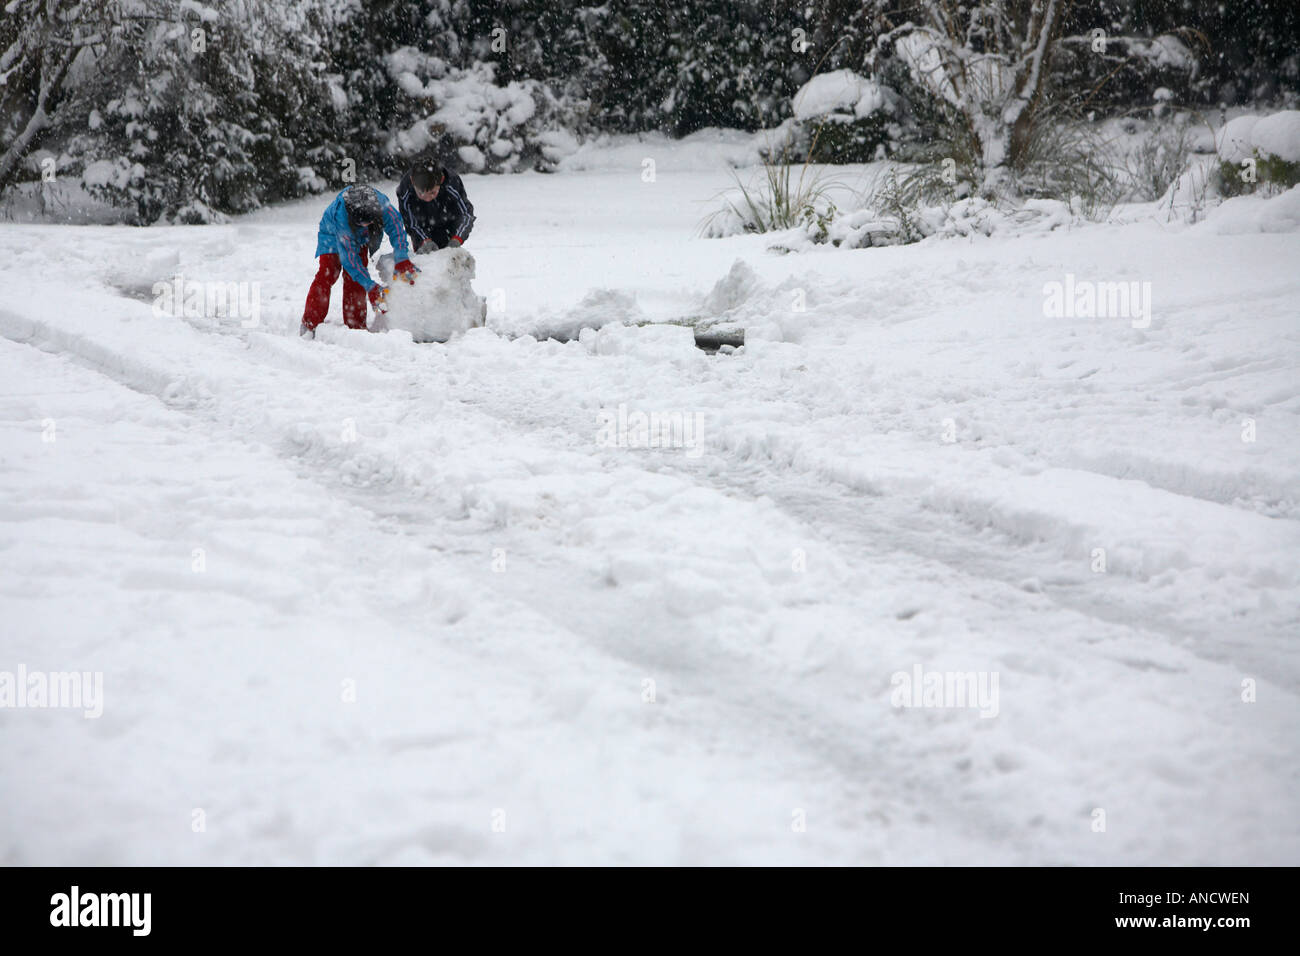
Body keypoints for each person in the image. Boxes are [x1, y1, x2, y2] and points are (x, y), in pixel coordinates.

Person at [300, 184, 418, 338]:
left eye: (369, 223)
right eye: (363, 223)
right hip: (331, 233)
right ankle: (310, 323)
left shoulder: (381, 204)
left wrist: (401, 257)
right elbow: (349, 259)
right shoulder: (341, 217)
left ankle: (356, 326)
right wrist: (370, 286)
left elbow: (396, 227)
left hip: (361, 237)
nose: (366, 225)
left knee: (355, 281)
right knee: (327, 274)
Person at [397, 160, 475, 253]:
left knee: (446, 258)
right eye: (421, 193)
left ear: (441, 180)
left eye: (432, 193)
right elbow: (410, 222)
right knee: (425, 260)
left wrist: (457, 238)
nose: (427, 198)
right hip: (421, 224)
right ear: (412, 181)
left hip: (447, 222)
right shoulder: (405, 189)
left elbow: (466, 214)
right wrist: (424, 240)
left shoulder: (452, 182)